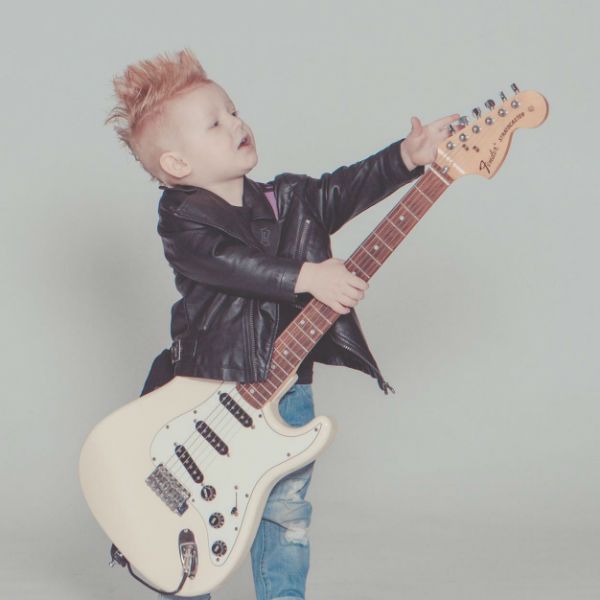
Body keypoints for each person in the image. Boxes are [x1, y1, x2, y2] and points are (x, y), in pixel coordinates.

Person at [105, 47, 458, 600]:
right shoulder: (181, 217)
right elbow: (223, 260)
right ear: (176, 165)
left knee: (287, 513)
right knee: (197, 515)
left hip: (288, 389)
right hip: (207, 393)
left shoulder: (289, 198)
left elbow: (345, 188)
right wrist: (308, 277)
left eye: (234, 110)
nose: (236, 123)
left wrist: (407, 158)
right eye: (215, 123)